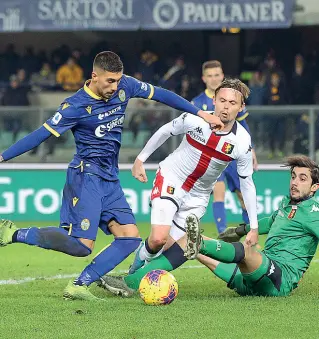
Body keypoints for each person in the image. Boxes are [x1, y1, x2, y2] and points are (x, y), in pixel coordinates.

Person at [0, 51, 223, 301]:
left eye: (118, 80)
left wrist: (199, 113)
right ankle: (14, 234)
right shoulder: (74, 106)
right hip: (86, 177)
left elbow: (161, 94)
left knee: (129, 238)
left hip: (110, 178)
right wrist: (3, 156)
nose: (115, 87)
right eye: (110, 81)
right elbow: (40, 134)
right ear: (94, 76)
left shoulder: (124, 85)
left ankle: (78, 285)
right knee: (82, 246)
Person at [97, 78, 259, 296]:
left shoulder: (241, 141)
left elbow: (246, 183)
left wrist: (255, 226)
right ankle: (130, 280)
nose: (226, 107)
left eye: (232, 103)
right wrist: (140, 160)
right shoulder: (195, 119)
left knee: (172, 247)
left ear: (241, 108)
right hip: (172, 178)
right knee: (158, 238)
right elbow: (165, 131)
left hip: (198, 196)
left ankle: (129, 281)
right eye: (222, 100)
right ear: (214, 100)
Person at [182, 155, 319, 297]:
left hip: (278, 279)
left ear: (314, 187)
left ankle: (198, 243)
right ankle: (189, 243)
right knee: (185, 239)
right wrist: (239, 230)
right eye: (293, 177)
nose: (295, 183)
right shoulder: (287, 204)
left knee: (245, 251)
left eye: (302, 179)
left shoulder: (314, 212)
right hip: (256, 277)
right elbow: (270, 222)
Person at [192, 60, 258, 234]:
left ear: (222, 76)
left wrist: (251, 151)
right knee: (218, 192)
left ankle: (249, 232)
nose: (214, 79)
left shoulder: (234, 99)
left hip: (234, 153)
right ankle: (222, 233)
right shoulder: (197, 103)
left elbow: (244, 126)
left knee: (243, 196)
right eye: (210, 76)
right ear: (203, 78)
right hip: (212, 155)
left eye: (217, 75)